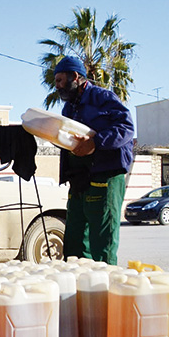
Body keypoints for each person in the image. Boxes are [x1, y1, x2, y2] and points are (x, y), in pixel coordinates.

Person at [54, 56, 134, 265]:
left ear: (76, 77)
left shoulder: (103, 98)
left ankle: (103, 290)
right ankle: (78, 291)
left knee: (102, 241)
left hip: (106, 176)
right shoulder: (68, 109)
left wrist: (95, 142)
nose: (58, 86)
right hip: (80, 178)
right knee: (75, 240)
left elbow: (126, 129)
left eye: (60, 80)